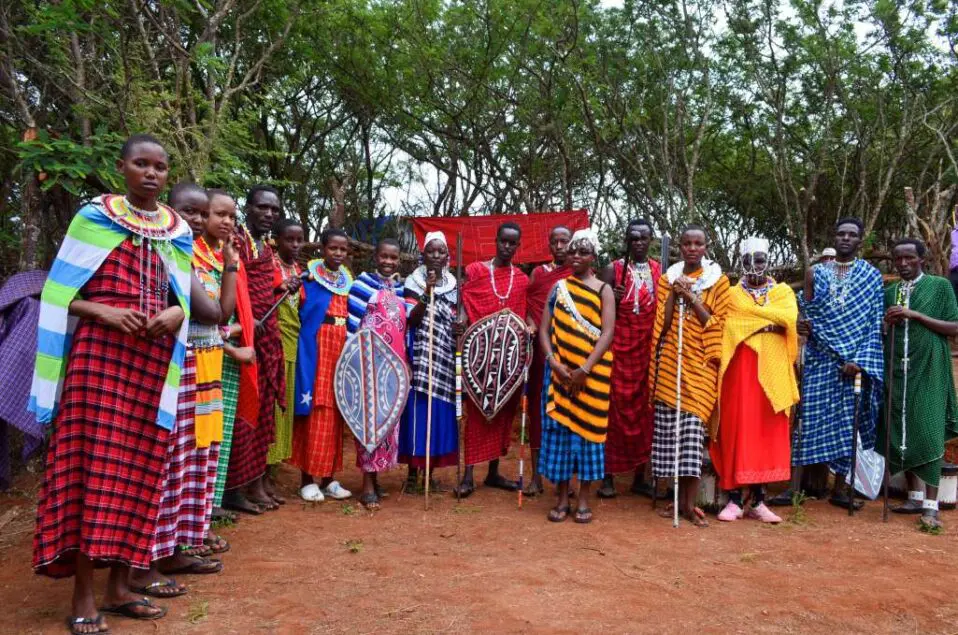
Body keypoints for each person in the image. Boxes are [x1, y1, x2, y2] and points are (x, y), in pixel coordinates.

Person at [30, 134, 192, 631]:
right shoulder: (93, 219)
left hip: (153, 365)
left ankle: (120, 587)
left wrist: (175, 312)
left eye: (159, 167)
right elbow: (57, 294)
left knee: (142, 469)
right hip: (99, 360)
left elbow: (183, 297)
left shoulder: (178, 230)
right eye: (141, 164)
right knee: (93, 467)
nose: (151, 173)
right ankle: (83, 595)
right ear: (122, 167)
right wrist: (104, 311)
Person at [129, 183, 238, 598]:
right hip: (178, 368)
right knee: (169, 462)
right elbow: (216, 312)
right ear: (166, 210)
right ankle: (144, 562)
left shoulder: (194, 253)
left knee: (194, 459)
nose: (195, 219)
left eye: (201, 213)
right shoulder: (169, 252)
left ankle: (174, 548)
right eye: (187, 211)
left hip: (204, 365)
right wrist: (231, 268)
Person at [791, 218, 884, 510]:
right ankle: (793, 488)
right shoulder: (815, 272)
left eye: (851, 235)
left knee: (847, 426)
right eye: (841, 233)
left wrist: (859, 360)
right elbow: (805, 312)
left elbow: (873, 322)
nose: (845, 238)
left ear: (860, 240)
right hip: (819, 358)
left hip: (851, 364)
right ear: (834, 237)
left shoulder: (871, 276)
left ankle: (841, 489)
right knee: (807, 420)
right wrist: (801, 325)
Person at [711, 238, 798, 524]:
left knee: (766, 431)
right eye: (748, 260)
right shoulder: (731, 295)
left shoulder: (783, 292)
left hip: (773, 370)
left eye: (759, 260)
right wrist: (769, 323)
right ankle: (735, 500)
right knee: (737, 429)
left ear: (768, 261)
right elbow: (729, 323)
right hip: (739, 368)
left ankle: (759, 501)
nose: (754, 266)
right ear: (740, 262)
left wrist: (753, 320)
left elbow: (788, 318)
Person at [649, 224, 730, 527]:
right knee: (671, 435)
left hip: (700, 368)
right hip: (672, 364)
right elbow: (664, 323)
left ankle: (690, 505)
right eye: (687, 244)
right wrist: (675, 292)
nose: (692, 249)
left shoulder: (718, 281)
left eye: (698, 244)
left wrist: (692, 297)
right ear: (680, 247)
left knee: (693, 435)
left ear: (706, 247)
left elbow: (716, 324)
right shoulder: (667, 278)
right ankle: (676, 502)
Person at [879, 238, 958, 529]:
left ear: (921, 259)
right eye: (898, 258)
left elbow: (954, 327)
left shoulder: (940, 287)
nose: (903, 263)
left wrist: (914, 314)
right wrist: (887, 324)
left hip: (930, 367)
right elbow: (881, 331)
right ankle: (913, 497)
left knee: (928, 430)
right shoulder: (890, 292)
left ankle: (931, 505)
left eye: (909, 258)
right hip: (898, 369)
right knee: (903, 427)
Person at [538, 229, 615, 523]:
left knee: (588, 436)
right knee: (559, 434)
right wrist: (555, 364)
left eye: (583, 252)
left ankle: (583, 498)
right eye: (573, 252)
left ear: (593, 256)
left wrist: (585, 370)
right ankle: (561, 498)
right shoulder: (558, 289)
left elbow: (607, 333)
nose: (576, 257)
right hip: (559, 375)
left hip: (592, 377)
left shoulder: (603, 290)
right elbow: (544, 330)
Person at [225, 185, 294, 513]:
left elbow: (263, 290)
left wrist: (281, 288)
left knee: (264, 414)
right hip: (241, 338)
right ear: (248, 207)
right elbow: (233, 287)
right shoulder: (235, 242)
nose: (268, 214)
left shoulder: (265, 248)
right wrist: (246, 319)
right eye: (262, 207)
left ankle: (256, 483)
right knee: (244, 414)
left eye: (274, 210)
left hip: (266, 338)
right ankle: (234, 489)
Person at [195, 190, 258, 525]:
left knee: (222, 431)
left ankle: (212, 503)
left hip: (230, 354)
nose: (227, 222)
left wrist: (238, 333)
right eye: (220, 214)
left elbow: (237, 312)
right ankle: (197, 512)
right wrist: (232, 341)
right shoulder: (192, 253)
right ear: (203, 215)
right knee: (199, 434)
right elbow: (204, 316)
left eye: (232, 216)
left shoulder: (228, 256)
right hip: (205, 353)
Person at [455, 222, 530, 497]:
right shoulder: (476, 270)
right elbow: (464, 302)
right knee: (476, 416)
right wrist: (461, 321)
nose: (507, 247)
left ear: (518, 246)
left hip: (507, 361)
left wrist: (528, 331)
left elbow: (523, 315)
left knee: (501, 416)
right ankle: (468, 476)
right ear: (495, 241)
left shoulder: (521, 279)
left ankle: (493, 472)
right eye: (503, 241)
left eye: (512, 243)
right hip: (479, 358)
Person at [597, 219, 661, 499]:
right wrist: (611, 296)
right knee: (613, 412)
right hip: (619, 352)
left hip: (647, 352)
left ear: (650, 240)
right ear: (626, 241)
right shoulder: (613, 269)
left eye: (643, 238)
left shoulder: (659, 270)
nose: (638, 243)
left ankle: (639, 477)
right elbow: (597, 309)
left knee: (645, 413)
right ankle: (607, 476)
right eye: (633, 238)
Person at [292, 228, 354, 502]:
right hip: (316, 349)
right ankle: (307, 479)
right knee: (315, 409)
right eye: (333, 248)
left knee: (336, 413)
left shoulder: (348, 282)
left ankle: (329, 478)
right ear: (322, 249)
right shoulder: (309, 279)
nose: (338, 253)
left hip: (340, 350)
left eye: (343, 249)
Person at [346, 238, 407, 509]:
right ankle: (367, 484)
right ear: (376, 257)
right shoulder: (362, 285)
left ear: (399, 260)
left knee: (387, 421)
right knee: (368, 421)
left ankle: (376, 477)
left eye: (393, 258)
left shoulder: (402, 290)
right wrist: (350, 361)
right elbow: (351, 326)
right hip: (367, 363)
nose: (388, 262)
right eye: (384, 256)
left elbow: (405, 329)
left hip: (394, 367)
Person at [398, 232, 460, 489]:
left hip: (444, 358)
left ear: (447, 256)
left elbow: (456, 319)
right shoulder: (413, 281)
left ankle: (429, 474)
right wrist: (427, 291)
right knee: (418, 414)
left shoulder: (454, 286)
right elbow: (411, 319)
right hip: (420, 357)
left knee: (438, 415)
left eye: (441, 251)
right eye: (431, 251)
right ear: (423, 255)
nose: (436, 255)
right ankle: (413, 474)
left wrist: (459, 327)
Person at [524, 225, 573, 497]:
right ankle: (535, 477)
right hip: (542, 351)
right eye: (555, 241)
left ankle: (564, 481)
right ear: (549, 245)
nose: (560, 246)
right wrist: (531, 325)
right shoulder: (539, 273)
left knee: (567, 411)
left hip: (569, 351)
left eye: (564, 241)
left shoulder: (578, 273)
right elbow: (530, 307)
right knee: (537, 410)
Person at [267, 218, 306, 482]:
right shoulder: (269, 266)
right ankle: (260, 474)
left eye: (299, 240)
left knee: (284, 407)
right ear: (277, 240)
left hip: (293, 344)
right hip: (273, 342)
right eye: (289, 239)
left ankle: (272, 472)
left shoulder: (298, 270)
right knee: (270, 407)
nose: (294, 245)